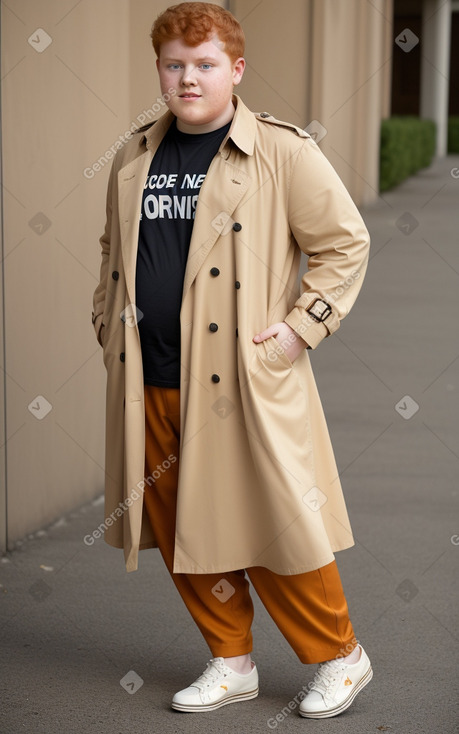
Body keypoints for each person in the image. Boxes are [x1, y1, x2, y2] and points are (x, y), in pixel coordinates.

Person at [92, 1, 372, 719]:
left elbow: (344, 243)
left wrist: (296, 332)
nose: (188, 79)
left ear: (235, 70)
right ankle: (231, 659)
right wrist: (105, 321)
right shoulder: (133, 154)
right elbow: (112, 253)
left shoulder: (280, 150)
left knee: (279, 524)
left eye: (204, 64)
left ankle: (341, 657)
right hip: (150, 380)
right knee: (190, 528)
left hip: (240, 382)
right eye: (174, 65)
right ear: (159, 68)